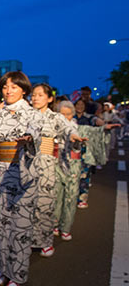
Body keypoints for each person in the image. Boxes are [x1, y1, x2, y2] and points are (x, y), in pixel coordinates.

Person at [0, 71, 44, 286]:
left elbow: (35, 134)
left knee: (20, 229)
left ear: (24, 90)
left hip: (21, 176)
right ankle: (0, 266)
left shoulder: (33, 114)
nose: (9, 91)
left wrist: (29, 139)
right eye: (6, 87)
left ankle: (16, 277)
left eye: (14, 87)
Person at [29, 84, 81, 258]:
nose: (35, 98)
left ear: (50, 98)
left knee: (45, 204)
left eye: (40, 95)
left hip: (46, 164)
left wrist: (73, 135)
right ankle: (26, 240)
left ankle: (45, 241)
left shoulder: (55, 117)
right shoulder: (25, 114)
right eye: (34, 95)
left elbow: (68, 128)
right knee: (26, 204)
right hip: (26, 164)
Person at [54, 100, 85, 242]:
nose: (65, 117)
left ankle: (66, 227)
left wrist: (76, 140)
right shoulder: (55, 126)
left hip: (72, 164)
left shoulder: (75, 127)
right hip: (57, 163)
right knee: (56, 195)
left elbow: (75, 139)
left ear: (72, 114)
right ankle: (54, 224)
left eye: (68, 114)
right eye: (62, 114)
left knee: (71, 197)